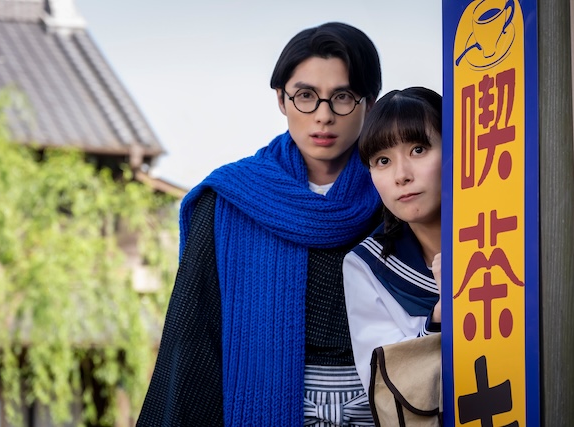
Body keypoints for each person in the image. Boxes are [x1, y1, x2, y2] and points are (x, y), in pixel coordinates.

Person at [136, 22, 383, 427]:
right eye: (305, 96)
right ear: (281, 100)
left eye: (342, 97)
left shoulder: (399, 199)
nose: (323, 116)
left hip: (385, 410)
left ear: (369, 104)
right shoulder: (229, 201)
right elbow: (193, 338)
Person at [342, 87, 442, 391]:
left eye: (418, 150)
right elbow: (386, 390)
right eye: (383, 161)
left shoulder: (511, 232)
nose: (401, 175)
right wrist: (440, 317)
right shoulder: (368, 265)